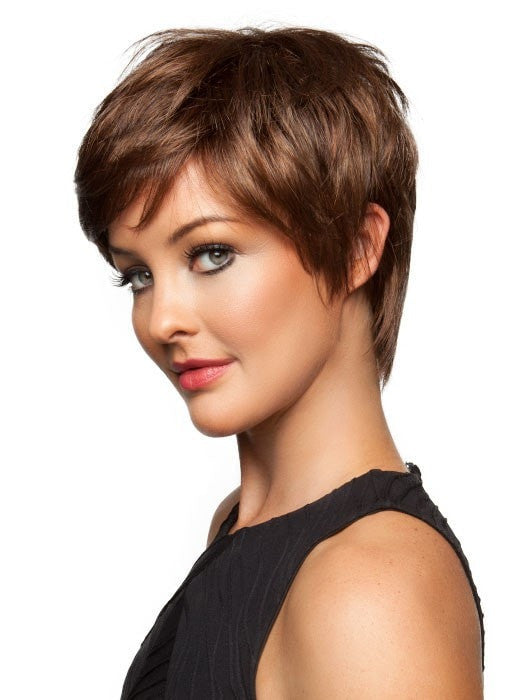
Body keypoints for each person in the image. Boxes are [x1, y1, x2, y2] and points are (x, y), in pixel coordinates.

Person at [74, 25, 485, 698]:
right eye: (139, 275)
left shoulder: (370, 588)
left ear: (356, 247)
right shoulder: (240, 524)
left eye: (212, 254)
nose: (161, 319)